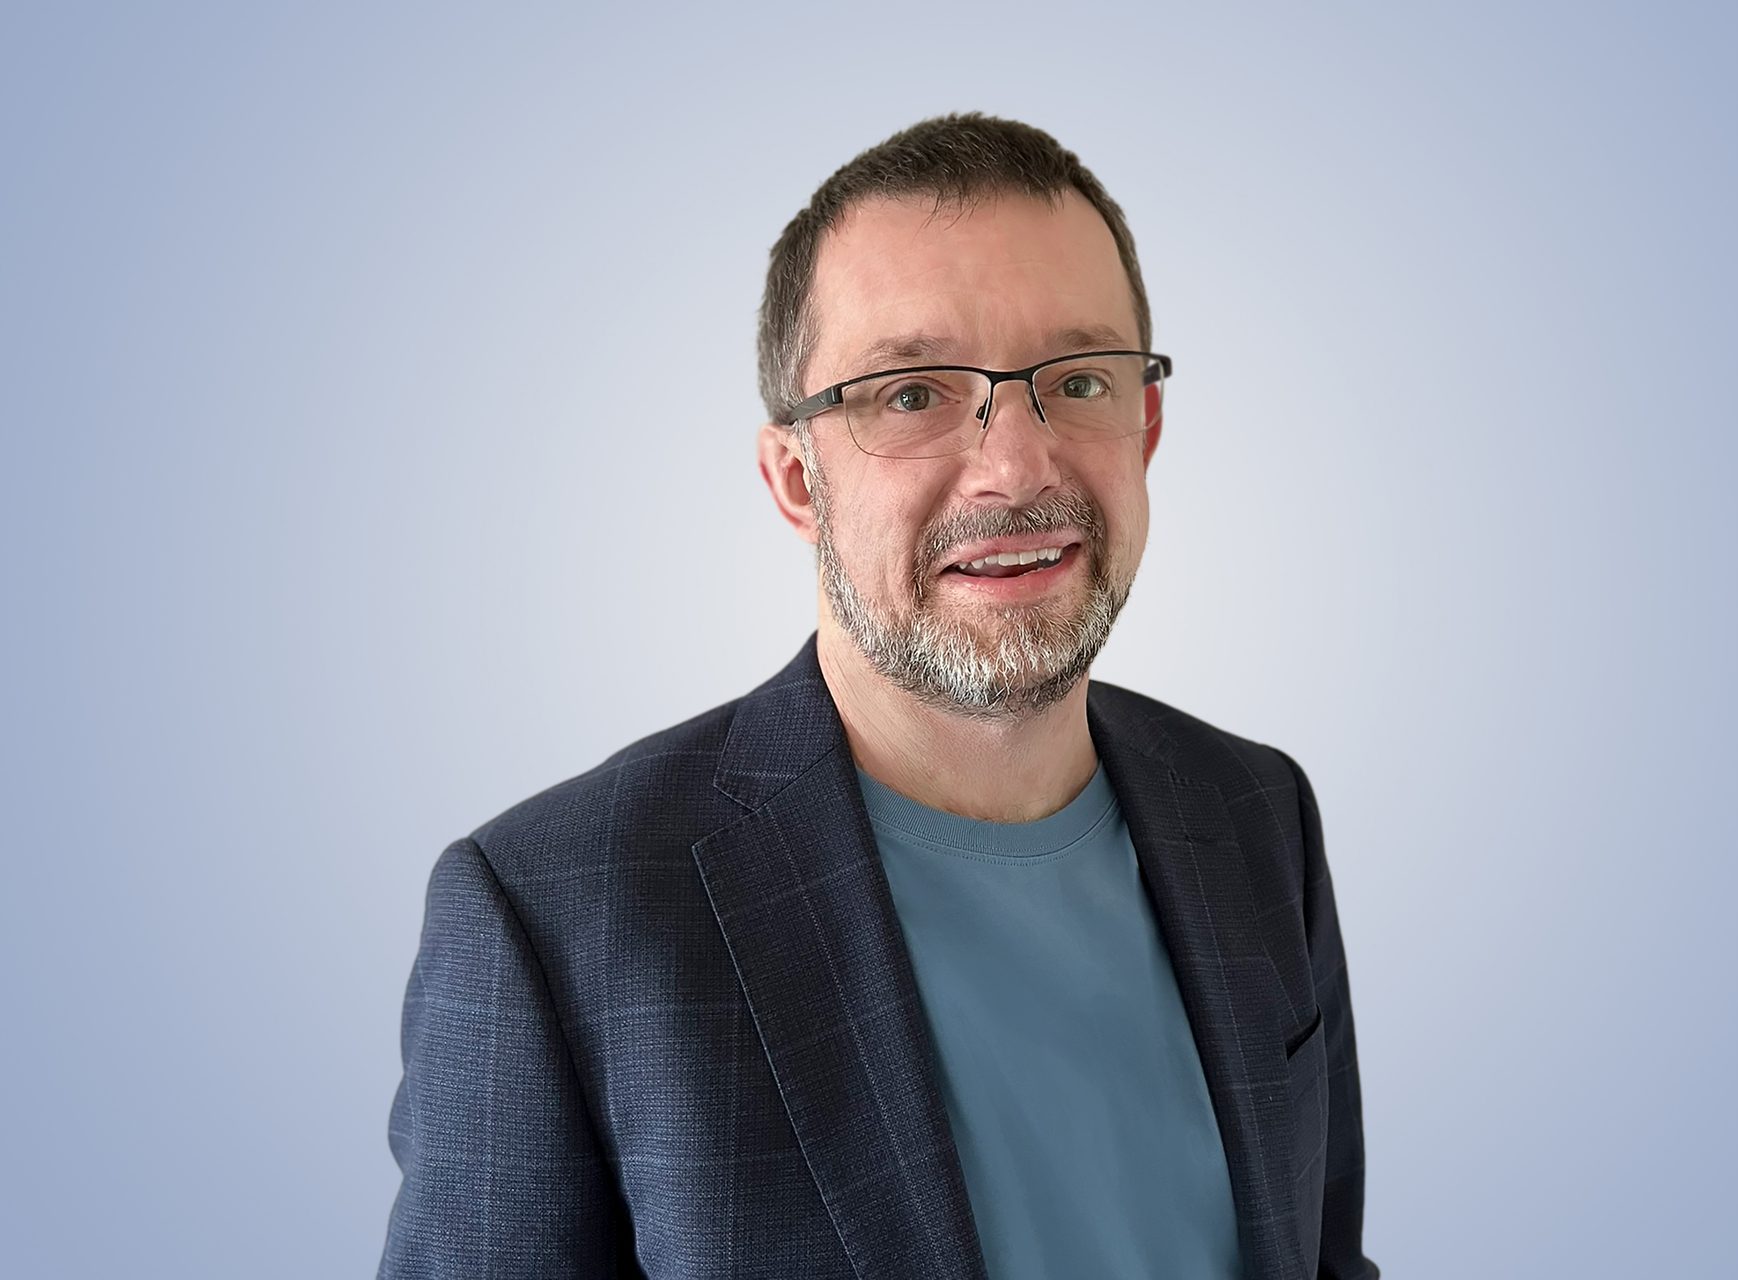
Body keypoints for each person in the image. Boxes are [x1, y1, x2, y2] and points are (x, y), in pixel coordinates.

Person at [379, 112, 1379, 1280]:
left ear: (1145, 426)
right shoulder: (556, 912)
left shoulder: (1258, 812)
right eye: (912, 395)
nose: (1017, 466)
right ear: (796, 479)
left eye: (1078, 379)